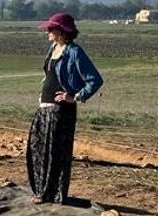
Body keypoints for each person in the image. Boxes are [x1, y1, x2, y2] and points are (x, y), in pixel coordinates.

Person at [26, 12, 104, 205]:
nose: (47, 31)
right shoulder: (53, 48)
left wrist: (74, 97)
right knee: (38, 150)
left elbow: (94, 80)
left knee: (55, 154)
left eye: (51, 28)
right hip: (44, 108)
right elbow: (50, 74)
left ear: (61, 31)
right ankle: (41, 189)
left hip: (60, 111)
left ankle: (49, 194)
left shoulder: (75, 52)